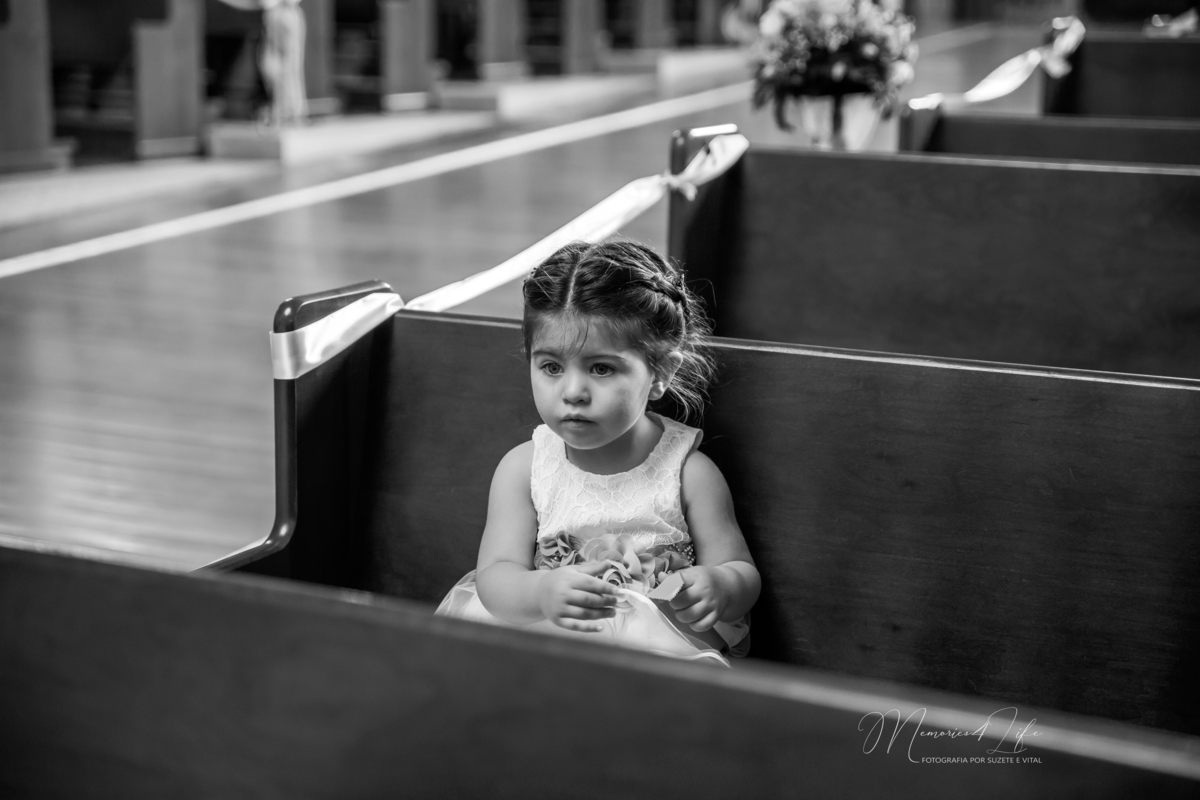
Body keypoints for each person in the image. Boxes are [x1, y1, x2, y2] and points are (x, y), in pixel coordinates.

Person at [436, 240, 760, 666]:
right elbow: (496, 575)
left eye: (601, 368)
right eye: (551, 367)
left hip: (658, 653)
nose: (573, 392)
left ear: (661, 372)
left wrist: (721, 585)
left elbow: (739, 568)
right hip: (553, 645)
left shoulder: (689, 473)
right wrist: (541, 591)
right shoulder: (524, 469)